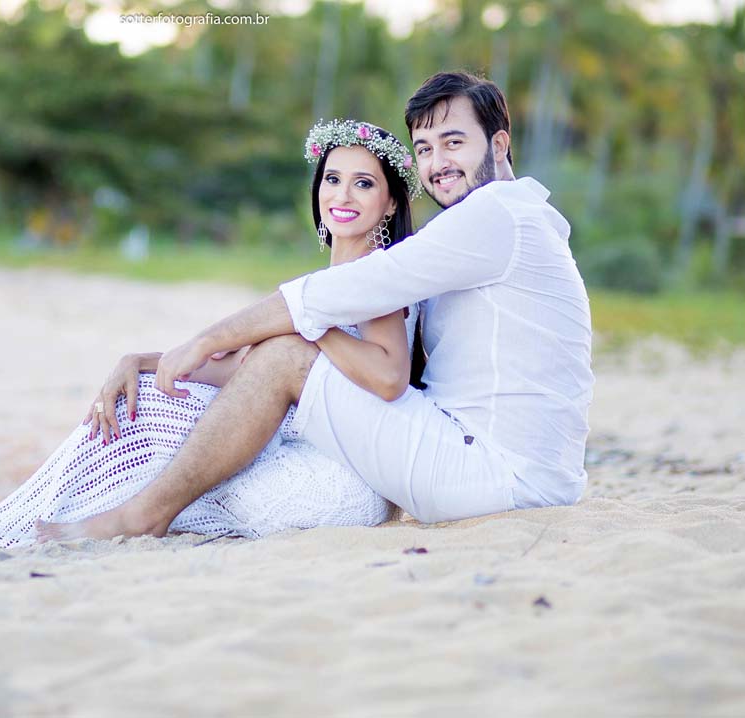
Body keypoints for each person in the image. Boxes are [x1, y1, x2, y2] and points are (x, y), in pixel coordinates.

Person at [33, 71, 594, 543]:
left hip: (497, 474)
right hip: (507, 464)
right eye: (424, 148)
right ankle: (83, 505)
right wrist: (155, 358)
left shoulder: (495, 214)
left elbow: (354, 297)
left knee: (285, 359)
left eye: (454, 142)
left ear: (498, 145)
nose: (437, 163)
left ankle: (142, 515)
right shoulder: (506, 220)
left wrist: (204, 340)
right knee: (281, 354)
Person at [0, 120, 425, 549]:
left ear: (388, 203)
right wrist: (140, 361)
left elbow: (388, 377)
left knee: (163, 436)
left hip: (339, 476)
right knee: (148, 408)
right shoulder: (335, 278)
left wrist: (311, 328)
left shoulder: (376, 275)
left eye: (363, 183)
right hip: (313, 452)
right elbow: (249, 368)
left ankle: (11, 532)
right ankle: (9, 524)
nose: (342, 194)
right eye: (332, 178)